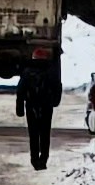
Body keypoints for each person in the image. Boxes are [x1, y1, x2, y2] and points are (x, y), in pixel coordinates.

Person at [18, 35, 65, 171]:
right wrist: (55, 102)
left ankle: (34, 160)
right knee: (45, 134)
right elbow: (58, 87)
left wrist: (20, 107)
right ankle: (43, 159)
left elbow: (20, 90)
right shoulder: (51, 71)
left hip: (31, 106)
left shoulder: (27, 72)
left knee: (33, 134)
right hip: (46, 106)